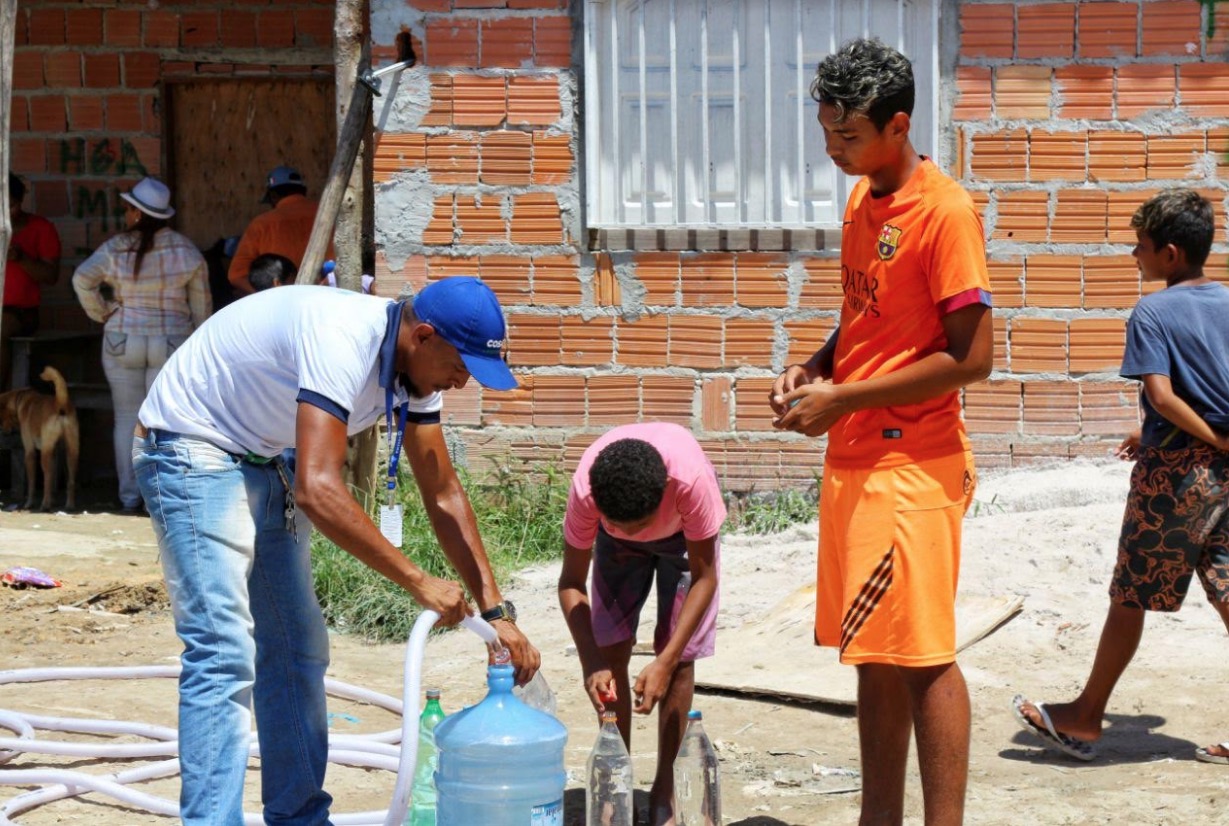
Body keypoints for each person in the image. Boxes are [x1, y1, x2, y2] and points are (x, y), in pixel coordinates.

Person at [132, 275, 541, 825]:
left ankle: (299, 818)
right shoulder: (343, 338)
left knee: (298, 650)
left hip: (263, 455)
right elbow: (319, 489)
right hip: (191, 446)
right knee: (223, 652)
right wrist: (419, 580)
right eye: (460, 367)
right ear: (422, 336)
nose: (462, 382)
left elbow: (442, 491)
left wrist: (497, 612)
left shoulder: (419, 372)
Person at [768, 38, 993, 825]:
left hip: (912, 466)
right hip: (856, 458)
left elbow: (972, 359)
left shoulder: (945, 211)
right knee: (872, 651)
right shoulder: (864, 198)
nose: (833, 150)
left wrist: (846, 397)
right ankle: (878, 817)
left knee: (924, 656)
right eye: (826, 134)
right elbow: (866, 317)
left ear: (898, 125)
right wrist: (813, 366)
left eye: (849, 136)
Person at [1012, 189, 1229, 764]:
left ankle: (1084, 718)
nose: (1135, 255)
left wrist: (1200, 436)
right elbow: (1203, 390)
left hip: (1176, 481)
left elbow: (1161, 391)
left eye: (1141, 246)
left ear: (1171, 254)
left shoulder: (1152, 312)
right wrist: (1161, 430)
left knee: (1129, 595)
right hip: (1228, 476)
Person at [557, 423, 723, 826]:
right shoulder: (587, 493)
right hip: (616, 552)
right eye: (621, 526)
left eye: (639, 526)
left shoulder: (689, 482)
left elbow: (705, 578)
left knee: (680, 658)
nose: (635, 535)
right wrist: (590, 661)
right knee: (609, 649)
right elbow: (571, 583)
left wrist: (664, 661)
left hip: (684, 542)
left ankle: (665, 790)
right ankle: (617, 781)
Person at [71, 176, 210, 513]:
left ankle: (129, 497)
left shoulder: (115, 248)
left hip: (122, 339)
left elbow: (81, 279)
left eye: (128, 208)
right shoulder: (186, 250)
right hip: (171, 343)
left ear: (136, 213)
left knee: (126, 419)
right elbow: (202, 309)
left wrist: (102, 312)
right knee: (162, 421)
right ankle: (158, 499)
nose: (125, 213)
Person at [228, 165, 328, 294]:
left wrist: (268, 296)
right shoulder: (329, 214)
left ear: (273, 196)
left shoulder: (261, 224)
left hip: (283, 300)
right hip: (329, 295)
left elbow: (236, 275)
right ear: (303, 190)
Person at [2, 173, 62, 391]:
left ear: (21, 202)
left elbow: (51, 276)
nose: (6, 213)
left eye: (11, 205)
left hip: (20, 313)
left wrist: (21, 259)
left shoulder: (41, 228)